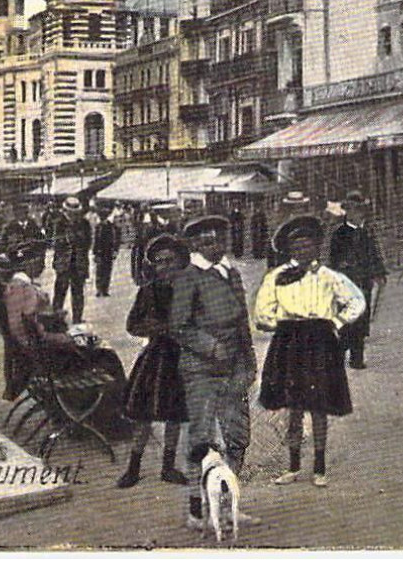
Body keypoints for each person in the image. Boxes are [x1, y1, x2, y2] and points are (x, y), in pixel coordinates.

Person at [255, 216, 365, 489]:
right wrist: (280, 324)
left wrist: (336, 323)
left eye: (309, 246)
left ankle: (319, 466)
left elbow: (356, 301)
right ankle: (292, 466)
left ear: (317, 248)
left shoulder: (329, 277)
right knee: (293, 407)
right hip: (289, 341)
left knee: (319, 405)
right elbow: (262, 313)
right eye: (297, 247)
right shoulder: (276, 277)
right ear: (289, 251)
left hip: (320, 341)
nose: (303, 251)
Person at [169, 215, 259, 530]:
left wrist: (248, 360)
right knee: (202, 440)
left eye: (220, 240)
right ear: (195, 245)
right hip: (200, 370)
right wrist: (209, 347)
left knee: (238, 437)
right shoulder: (188, 277)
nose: (215, 246)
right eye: (207, 241)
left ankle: (225, 504)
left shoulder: (231, 273)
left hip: (233, 367)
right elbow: (179, 326)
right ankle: (196, 510)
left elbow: (242, 323)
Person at [0, 240, 128, 434]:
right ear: (29, 263)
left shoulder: (13, 287)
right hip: (47, 361)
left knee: (94, 347)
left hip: (32, 357)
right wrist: (68, 339)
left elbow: (27, 325)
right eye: (39, 260)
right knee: (107, 357)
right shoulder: (25, 289)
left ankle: (87, 414)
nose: (42, 265)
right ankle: (112, 421)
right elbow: (35, 333)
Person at [117, 233, 191, 489]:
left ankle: (168, 467)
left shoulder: (191, 290)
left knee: (175, 414)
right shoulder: (148, 292)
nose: (165, 266)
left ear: (181, 262)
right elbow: (132, 325)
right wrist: (159, 328)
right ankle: (133, 467)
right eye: (159, 262)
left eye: (170, 260)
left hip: (183, 357)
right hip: (156, 356)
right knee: (144, 414)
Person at [328, 193, 387, 370]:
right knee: (348, 320)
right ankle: (338, 353)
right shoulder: (339, 233)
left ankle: (357, 358)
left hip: (365, 282)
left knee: (362, 320)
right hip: (347, 284)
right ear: (347, 212)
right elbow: (334, 260)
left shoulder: (367, 232)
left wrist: (380, 273)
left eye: (361, 210)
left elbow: (374, 255)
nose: (359, 213)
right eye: (355, 210)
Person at [51, 196, 93, 324]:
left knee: (78, 292)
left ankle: (77, 318)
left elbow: (88, 242)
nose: (74, 215)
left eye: (76, 213)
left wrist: (76, 241)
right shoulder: (59, 223)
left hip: (78, 262)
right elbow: (55, 242)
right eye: (71, 212)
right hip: (63, 263)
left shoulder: (85, 224)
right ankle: (56, 317)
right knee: (60, 291)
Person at [92, 206, 121, 298]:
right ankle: (99, 289)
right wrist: (95, 252)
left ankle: (105, 289)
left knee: (107, 271)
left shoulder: (112, 227)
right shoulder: (99, 227)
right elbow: (96, 241)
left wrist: (115, 250)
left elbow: (116, 240)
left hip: (108, 251)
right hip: (100, 252)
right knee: (99, 271)